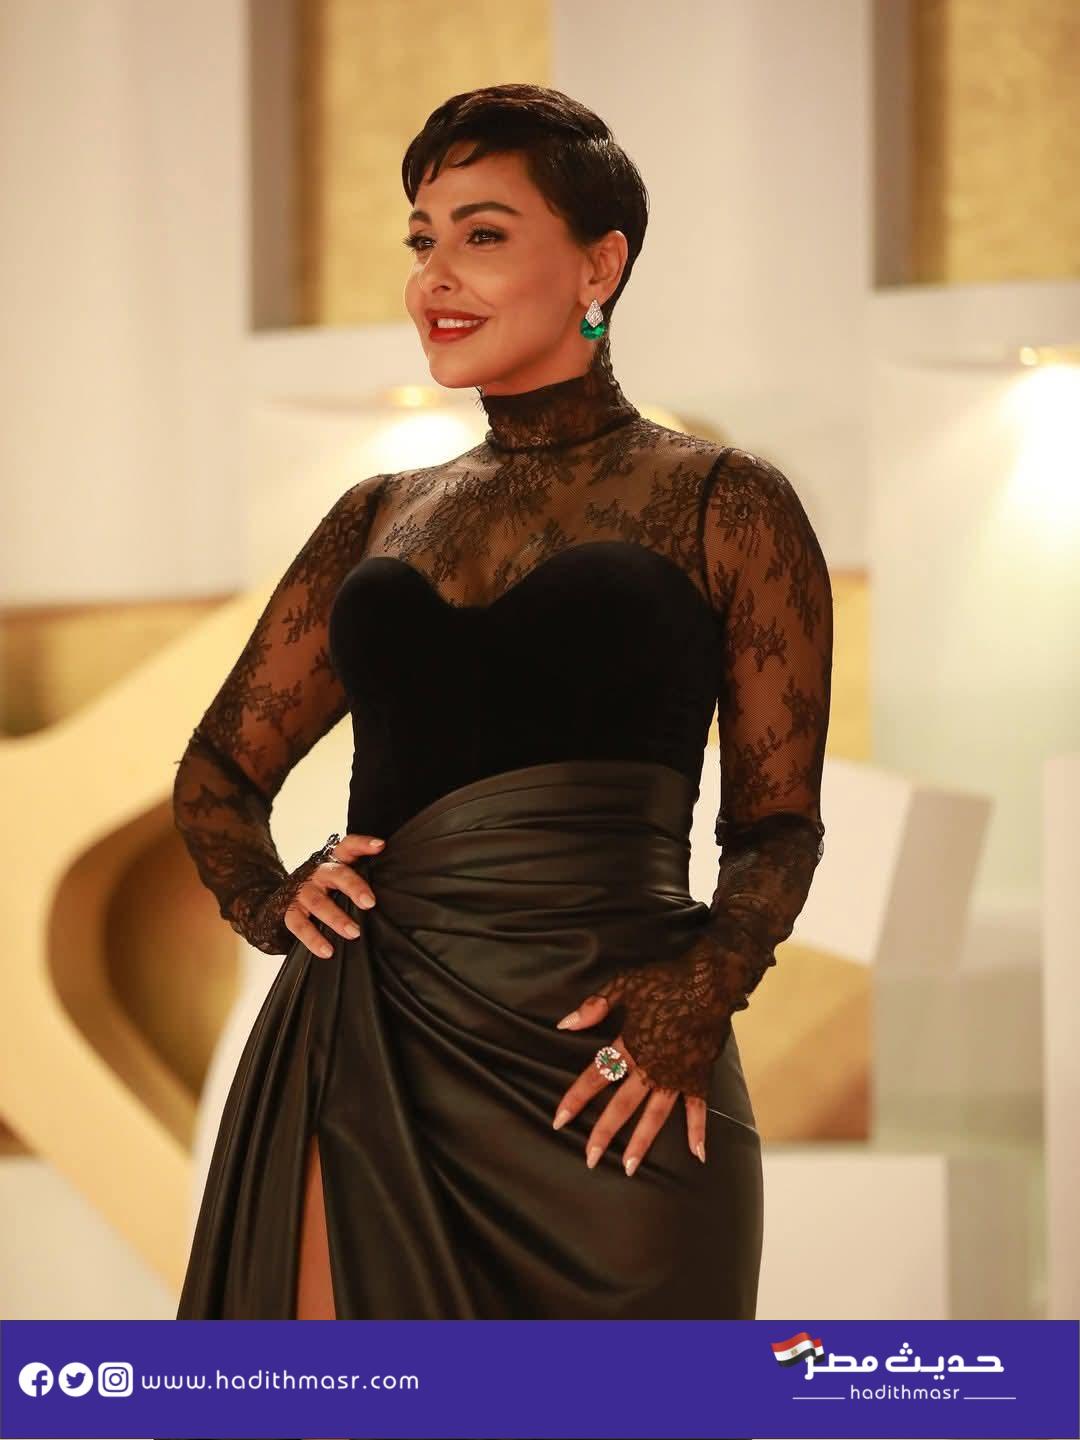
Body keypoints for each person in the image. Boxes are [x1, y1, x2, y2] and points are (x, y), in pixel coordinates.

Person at [170, 82, 832, 1324]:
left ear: (600, 264)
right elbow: (218, 771)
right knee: (336, 1405)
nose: (436, 278)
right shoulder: (376, 514)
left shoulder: (726, 501)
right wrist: (269, 898)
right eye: (423, 240)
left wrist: (702, 991)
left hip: (618, 1072)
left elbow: (776, 826)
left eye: (482, 234)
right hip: (367, 1044)